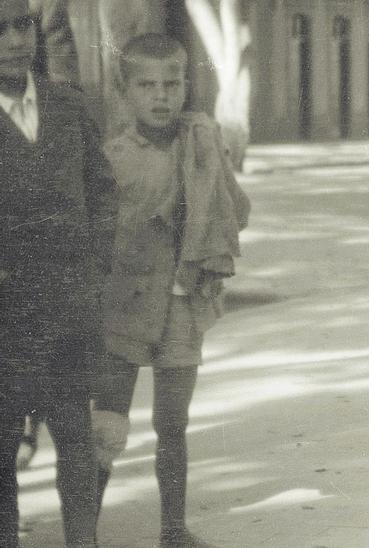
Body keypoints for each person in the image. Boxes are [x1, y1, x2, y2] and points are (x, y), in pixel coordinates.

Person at [92, 32, 251, 547]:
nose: (161, 96)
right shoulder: (111, 157)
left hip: (183, 302)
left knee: (172, 426)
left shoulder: (203, 144)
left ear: (187, 86)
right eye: (147, 85)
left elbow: (237, 214)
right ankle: (82, 531)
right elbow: (95, 234)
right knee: (107, 428)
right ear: (125, 93)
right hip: (123, 304)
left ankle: (173, 530)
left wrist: (214, 181)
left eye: (172, 83)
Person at [0, 0, 115, 545]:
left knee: (75, 442)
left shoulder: (67, 106)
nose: (14, 39)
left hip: (67, 313)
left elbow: (103, 194)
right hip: (5, 323)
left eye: (22, 25)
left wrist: (93, 267)